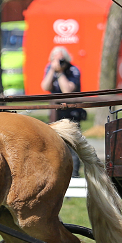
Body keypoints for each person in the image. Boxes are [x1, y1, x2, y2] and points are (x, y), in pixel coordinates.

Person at [41, 46, 86, 177]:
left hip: (72, 113)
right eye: (55, 59)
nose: (59, 62)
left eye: (61, 59)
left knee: (72, 146)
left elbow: (67, 90)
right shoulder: (50, 69)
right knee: (55, 146)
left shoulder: (73, 70)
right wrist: (52, 69)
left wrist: (60, 73)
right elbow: (45, 86)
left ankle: (75, 176)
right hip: (56, 112)